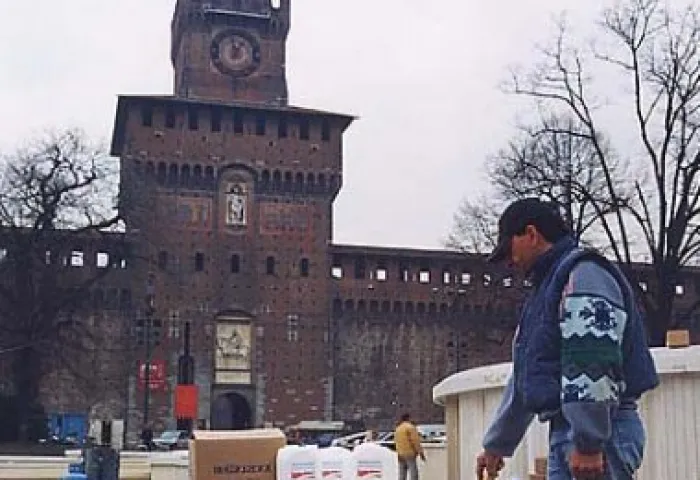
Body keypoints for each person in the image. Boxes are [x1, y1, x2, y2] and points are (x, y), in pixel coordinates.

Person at [475, 198, 659, 480]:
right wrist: (497, 445)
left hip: (603, 433)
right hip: (573, 432)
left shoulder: (583, 274)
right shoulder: (550, 286)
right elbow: (529, 374)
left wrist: (589, 440)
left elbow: (591, 358)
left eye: (509, 249)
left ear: (532, 234)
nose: (510, 262)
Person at [394, 413, 425, 480]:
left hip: (400, 453)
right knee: (413, 472)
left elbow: (396, 441)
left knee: (402, 473)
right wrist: (420, 452)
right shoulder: (410, 427)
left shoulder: (398, 428)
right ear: (408, 418)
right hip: (409, 453)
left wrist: (398, 452)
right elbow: (415, 441)